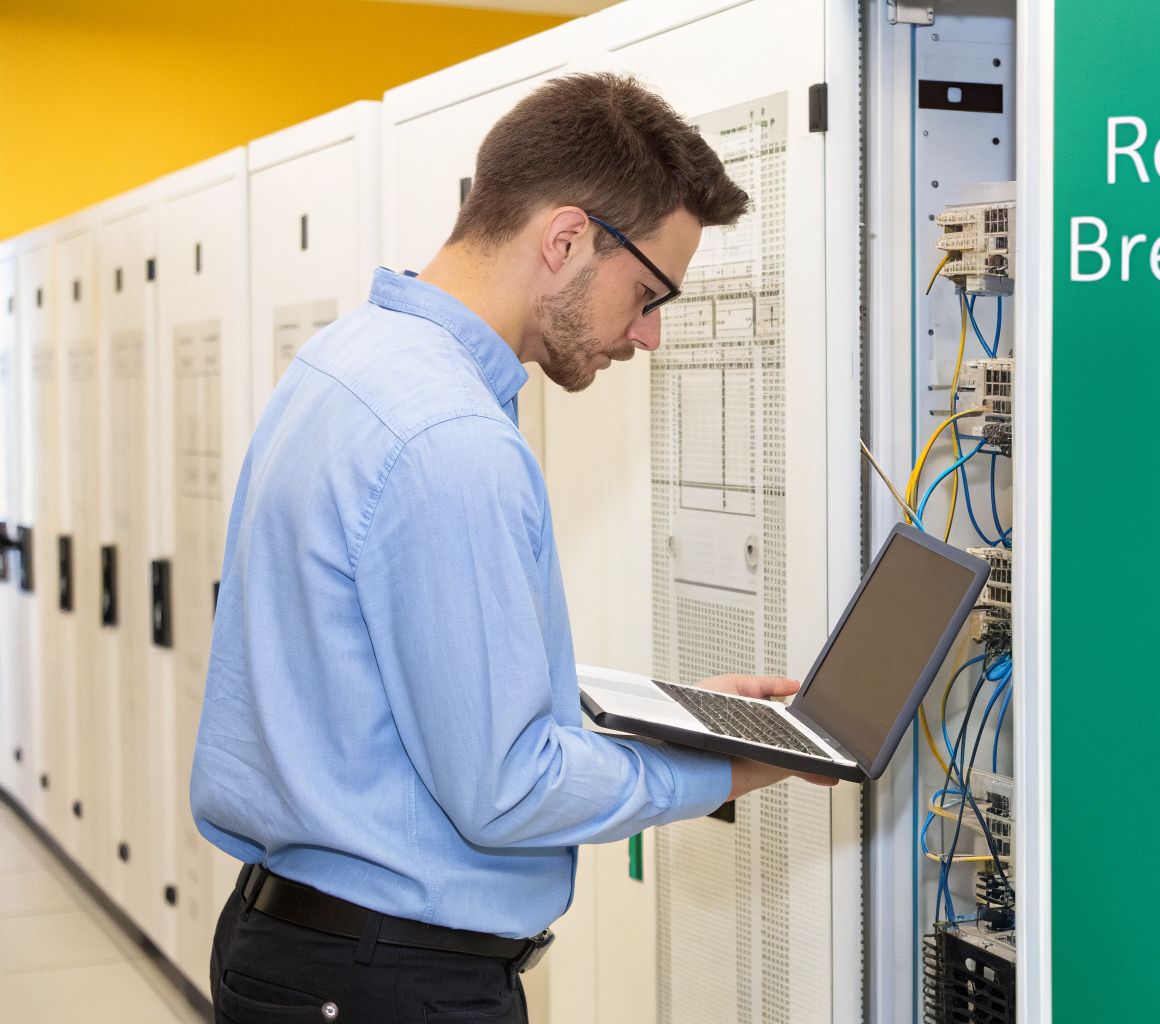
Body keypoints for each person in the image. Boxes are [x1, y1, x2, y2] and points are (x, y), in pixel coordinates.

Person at [190, 72, 833, 1024]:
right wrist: (735, 766)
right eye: (648, 292)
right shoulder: (449, 438)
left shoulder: (347, 357)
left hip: (302, 949)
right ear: (566, 239)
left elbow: (397, 694)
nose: (650, 334)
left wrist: (674, 723)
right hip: (386, 983)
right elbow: (505, 790)